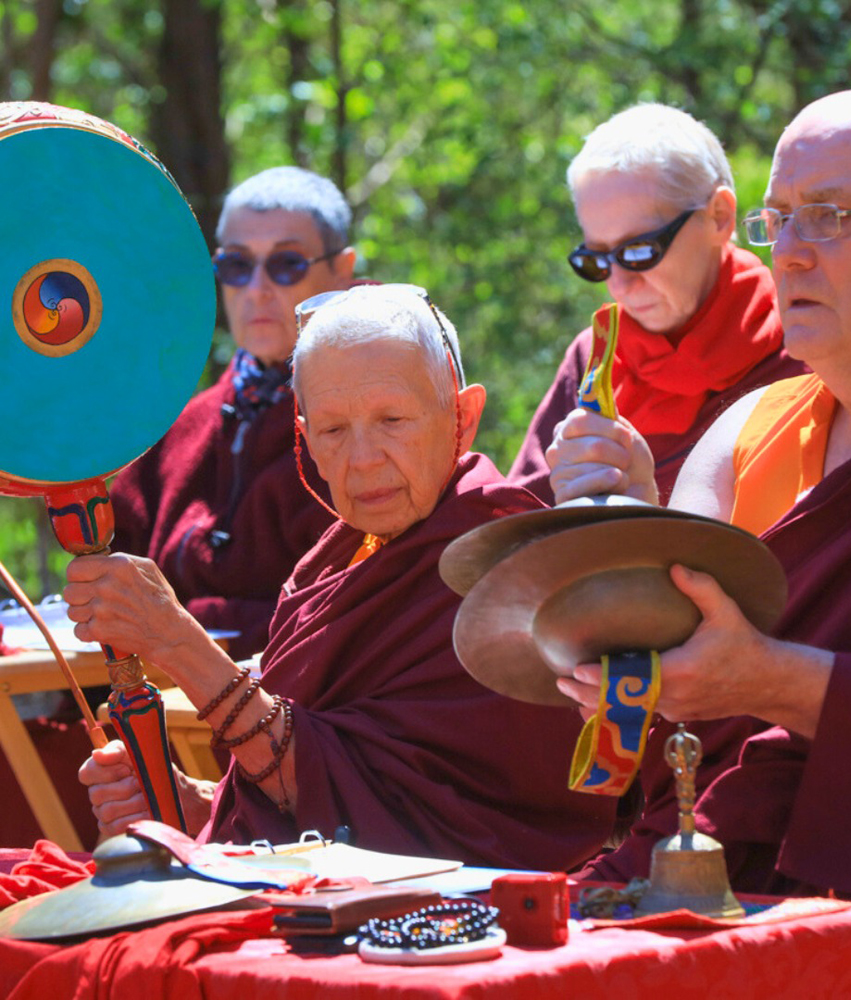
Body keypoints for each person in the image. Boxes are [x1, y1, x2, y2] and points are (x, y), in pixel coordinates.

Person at [547, 87, 851, 996]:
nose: (787, 252)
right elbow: (681, 683)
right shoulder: (753, 428)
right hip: (718, 882)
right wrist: (620, 570)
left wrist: (770, 679)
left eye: (829, 218)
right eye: (778, 219)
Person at [66, 285, 615, 870]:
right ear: (306, 443)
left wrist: (177, 643)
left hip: (464, 916)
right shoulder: (331, 563)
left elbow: (390, 820)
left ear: (463, 417)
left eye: (392, 420)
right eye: (332, 431)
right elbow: (309, 795)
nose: (363, 459)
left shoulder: (504, 564)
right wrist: (188, 804)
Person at [110, 165, 358, 661]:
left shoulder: (379, 410)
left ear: (342, 269)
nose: (257, 289)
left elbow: (359, 608)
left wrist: (185, 623)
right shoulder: (186, 424)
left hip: (308, 705)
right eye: (237, 266)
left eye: (286, 264)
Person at [508, 102, 803, 505]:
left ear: (719, 216)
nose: (619, 285)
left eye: (639, 251)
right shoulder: (595, 359)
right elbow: (519, 522)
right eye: (597, 260)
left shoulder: (803, 346)